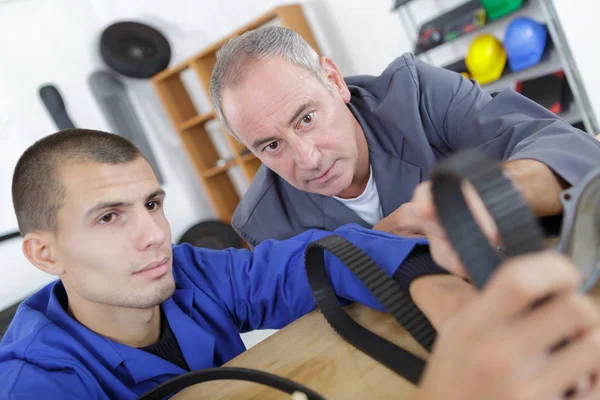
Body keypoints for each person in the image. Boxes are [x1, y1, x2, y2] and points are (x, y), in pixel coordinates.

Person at [0, 129, 598, 399]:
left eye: (153, 204)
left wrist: (458, 308)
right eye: (109, 217)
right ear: (45, 253)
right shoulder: (34, 382)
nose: (153, 235)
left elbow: (328, 255)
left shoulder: (191, 273)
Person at [209, 25, 600, 328]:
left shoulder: (418, 93)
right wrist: (367, 254)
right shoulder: (264, 222)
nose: (308, 159)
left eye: (306, 119)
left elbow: (567, 148)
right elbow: (325, 325)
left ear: (334, 80)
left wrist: (487, 195)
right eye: (271, 146)